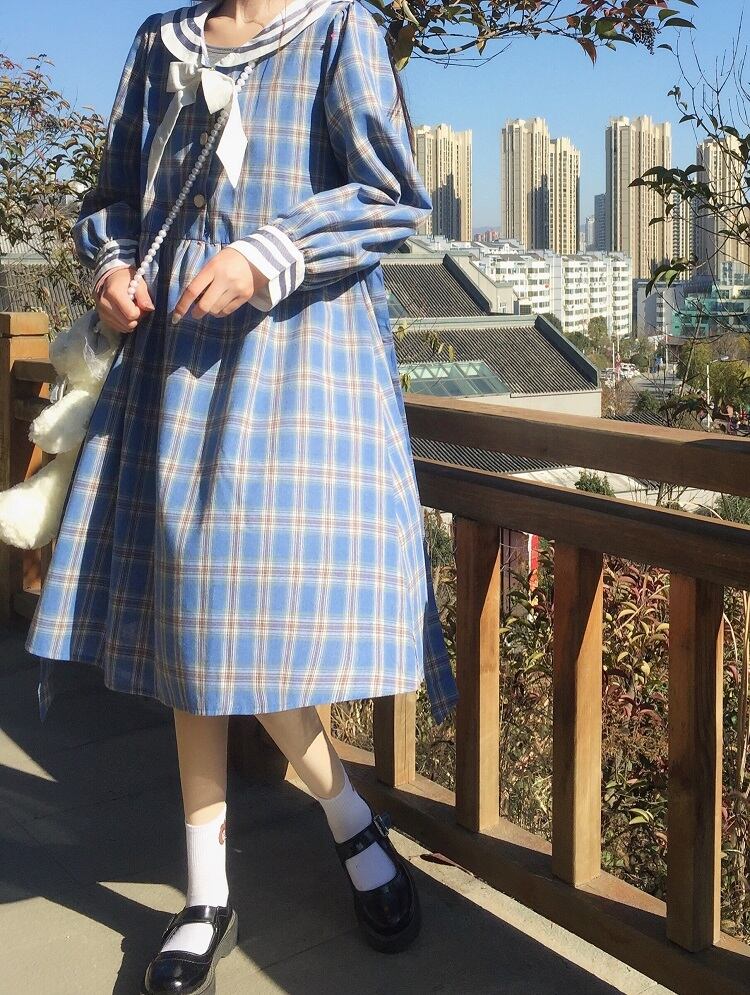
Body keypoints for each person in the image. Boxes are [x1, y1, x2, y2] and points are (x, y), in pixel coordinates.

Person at [23, 0, 459, 991]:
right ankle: (213, 888)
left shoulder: (338, 30)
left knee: (237, 611)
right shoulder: (160, 43)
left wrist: (266, 251)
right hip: (173, 372)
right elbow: (114, 197)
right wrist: (113, 267)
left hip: (293, 374)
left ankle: (345, 819)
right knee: (196, 618)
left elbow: (392, 193)